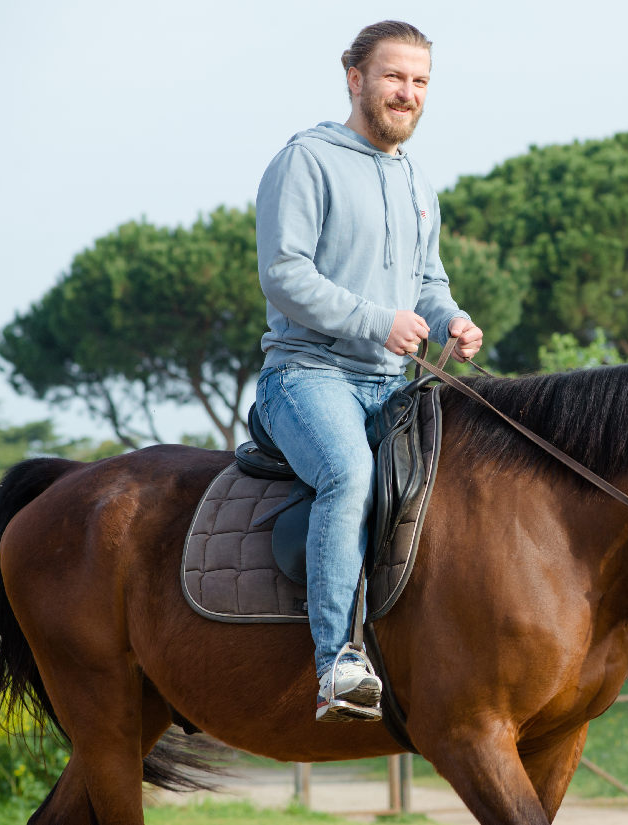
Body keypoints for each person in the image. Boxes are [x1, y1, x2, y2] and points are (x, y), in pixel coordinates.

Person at [255, 20, 483, 722]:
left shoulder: (416, 178)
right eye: (393, 77)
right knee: (350, 474)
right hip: (308, 374)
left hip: (391, 382)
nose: (406, 93)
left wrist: (450, 318)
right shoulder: (306, 160)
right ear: (355, 79)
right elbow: (285, 274)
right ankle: (337, 664)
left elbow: (427, 282)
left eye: (419, 82)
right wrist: (374, 320)